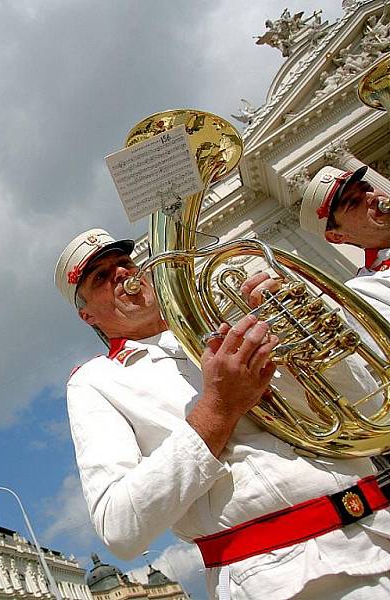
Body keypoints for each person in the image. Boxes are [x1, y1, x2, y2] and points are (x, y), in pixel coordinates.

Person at [55, 228, 390, 600]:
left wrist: (305, 328)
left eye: (124, 262)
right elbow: (119, 525)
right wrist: (218, 408)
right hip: (283, 576)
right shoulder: (96, 381)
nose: (121, 274)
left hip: (380, 527)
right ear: (88, 316)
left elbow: (373, 411)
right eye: (100, 277)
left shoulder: (231, 325)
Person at [299, 165, 390, 323]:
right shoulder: (365, 290)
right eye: (354, 202)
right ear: (336, 236)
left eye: (367, 187)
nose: (372, 196)